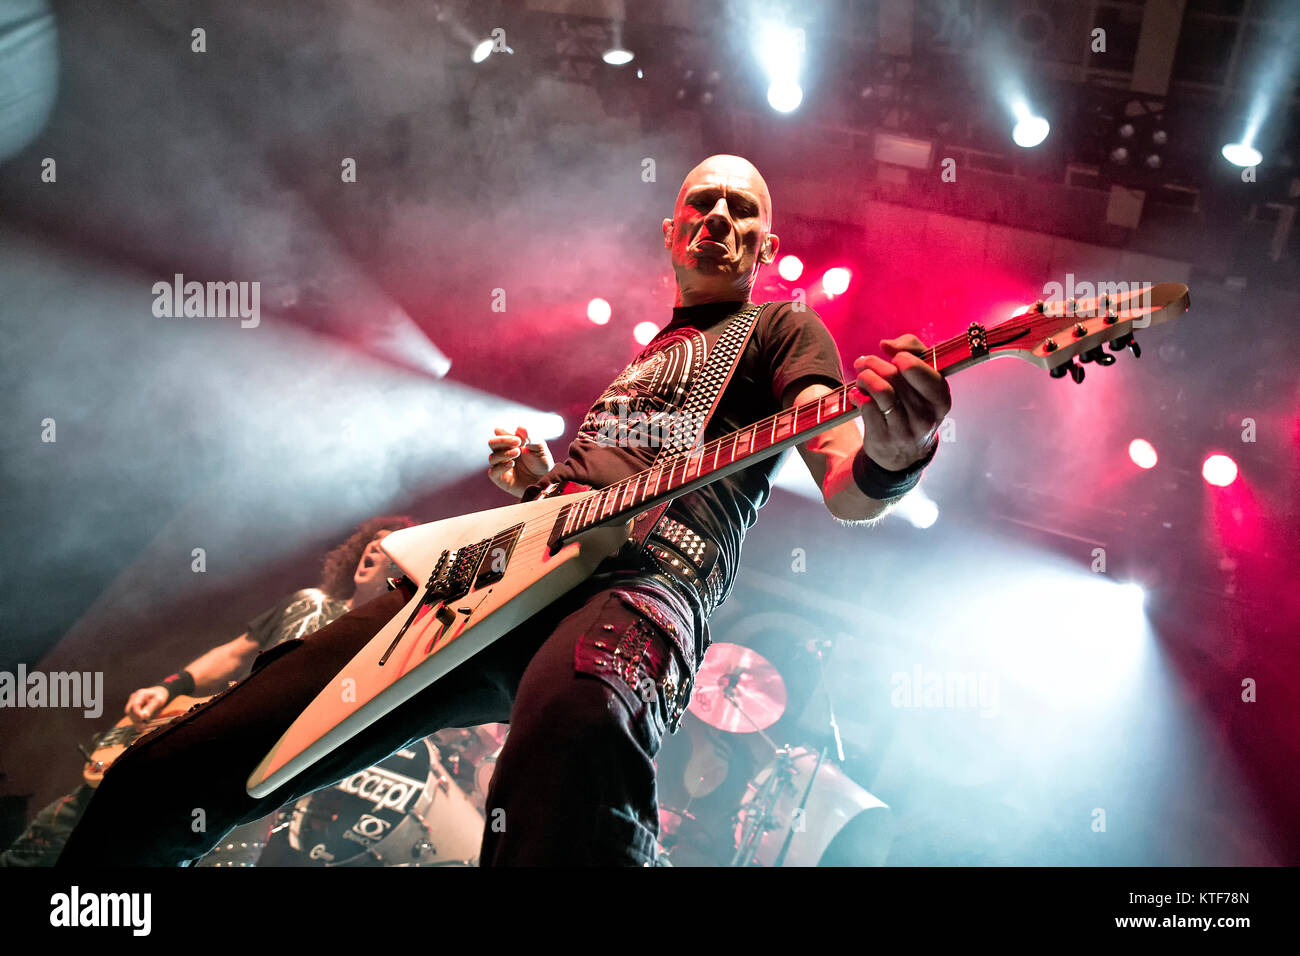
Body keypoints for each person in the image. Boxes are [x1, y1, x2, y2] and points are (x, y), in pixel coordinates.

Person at [56, 154, 951, 867]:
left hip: (643, 585)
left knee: (574, 741)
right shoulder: (645, 360)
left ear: (762, 246)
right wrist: (536, 486)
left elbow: (842, 474)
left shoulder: (780, 332)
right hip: (501, 575)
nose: (719, 217)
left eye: (740, 211)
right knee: (173, 771)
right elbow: (588, 495)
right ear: (671, 231)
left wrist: (897, 455)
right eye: (703, 204)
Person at [1, 515, 413, 866]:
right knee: (47, 843)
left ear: (405, 572)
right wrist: (168, 688)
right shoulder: (308, 603)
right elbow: (233, 654)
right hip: (188, 738)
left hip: (248, 783)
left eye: (386, 549)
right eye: (370, 545)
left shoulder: (381, 651)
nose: (373, 551)